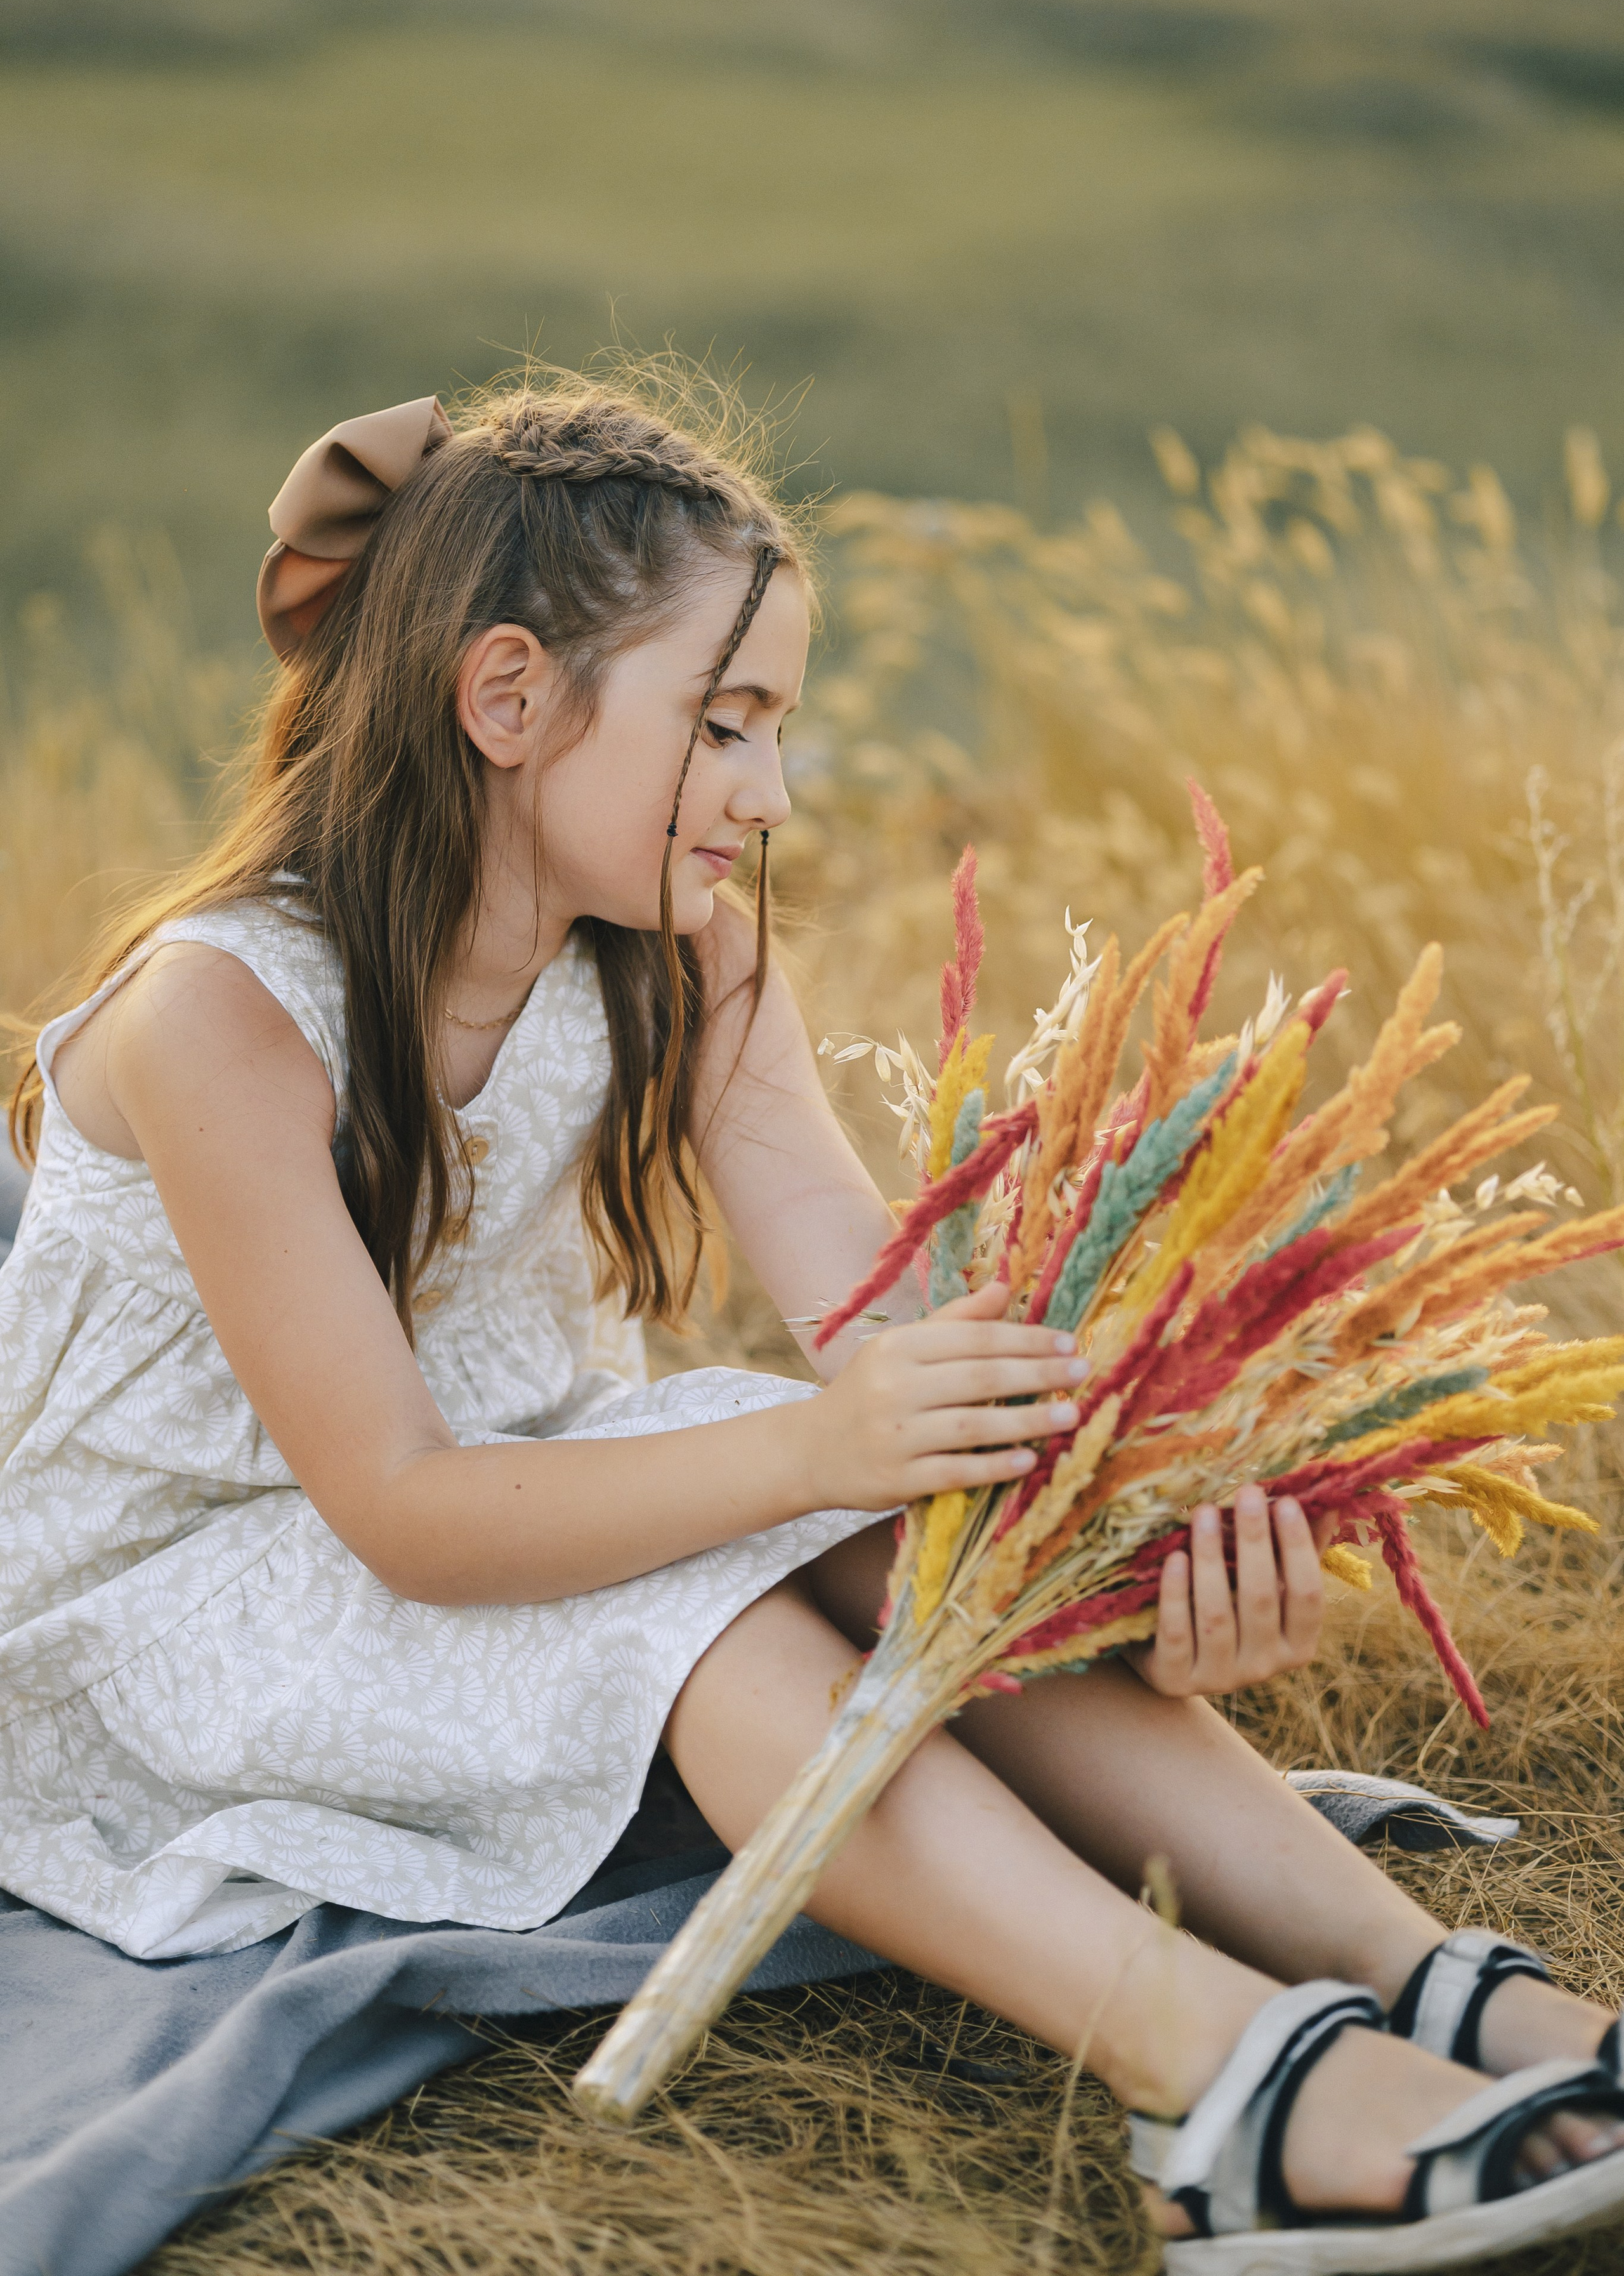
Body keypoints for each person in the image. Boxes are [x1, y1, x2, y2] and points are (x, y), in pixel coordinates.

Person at [4, 375, 1623, 2270]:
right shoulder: (222, 1014)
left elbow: (884, 1327)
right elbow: (403, 1506)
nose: (772, 790)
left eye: (780, 723)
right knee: (719, 1580)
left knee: (873, 1515)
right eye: (727, 723)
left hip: (513, 1497)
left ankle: (1451, 1993)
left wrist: (1122, 1542)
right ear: (507, 697)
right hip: (170, 1615)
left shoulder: (690, 955)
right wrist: (814, 1446)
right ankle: (1236, 2085)